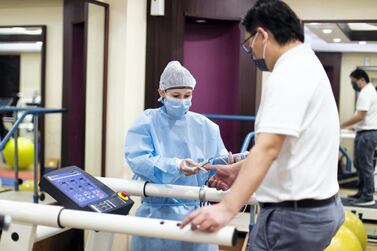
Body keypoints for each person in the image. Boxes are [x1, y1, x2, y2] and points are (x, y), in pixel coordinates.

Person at [181, 1, 344, 250]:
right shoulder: (308, 64)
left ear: (262, 35)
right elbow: (289, 145)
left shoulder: (287, 74)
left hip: (293, 218)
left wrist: (227, 208)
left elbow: (268, 148)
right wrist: (239, 170)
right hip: (319, 210)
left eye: (249, 45)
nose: (253, 54)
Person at [125, 61, 228, 251]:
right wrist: (177, 165)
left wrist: (220, 176)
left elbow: (217, 164)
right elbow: (139, 160)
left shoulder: (206, 127)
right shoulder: (147, 122)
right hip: (156, 213)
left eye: (187, 96)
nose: (182, 101)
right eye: (176, 96)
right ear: (161, 92)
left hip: (196, 213)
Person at [341, 68, 377, 206]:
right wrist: (354, 127)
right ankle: (362, 192)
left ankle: (367, 195)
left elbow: (360, 115)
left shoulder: (366, 93)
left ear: (361, 80)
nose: (353, 84)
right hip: (365, 132)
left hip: (367, 134)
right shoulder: (369, 91)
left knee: (365, 165)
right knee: (360, 164)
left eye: (353, 82)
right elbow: (365, 117)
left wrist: (342, 124)